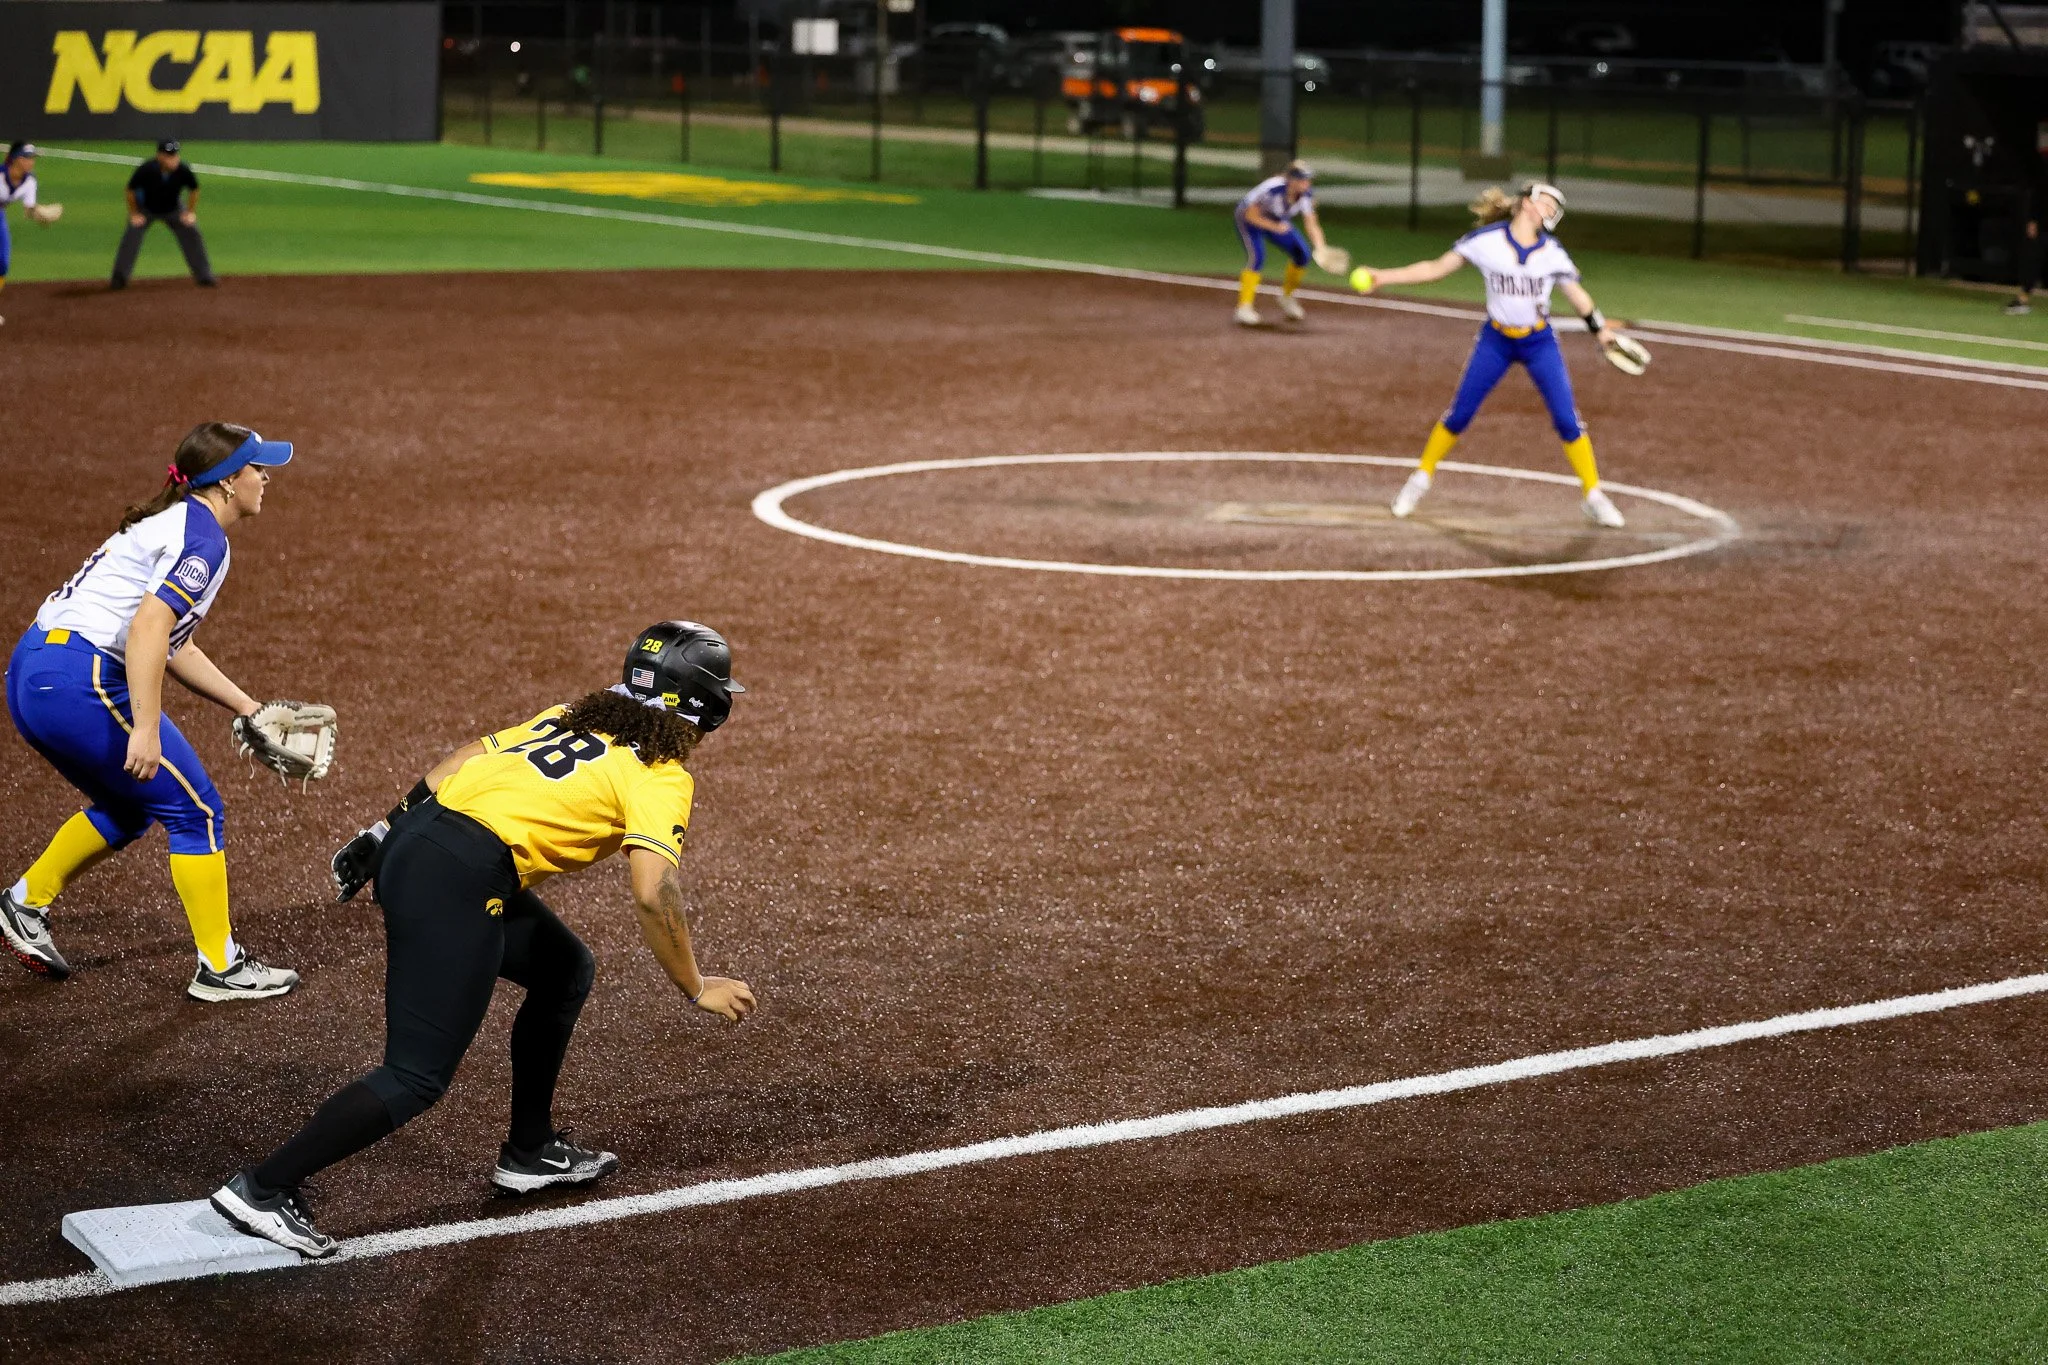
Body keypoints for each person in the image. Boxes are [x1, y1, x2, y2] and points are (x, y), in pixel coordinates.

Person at [210, 622, 758, 1258]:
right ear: (703, 706)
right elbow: (652, 891)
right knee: (416, 1076)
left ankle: (529, 1151)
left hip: (422, 843)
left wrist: (383, 831)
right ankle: (262, 1189)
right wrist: (694, 986)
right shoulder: (662, 774)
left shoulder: (569, 717)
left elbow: (462, 759)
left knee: (563, 969)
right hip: (458, 879)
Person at [2, 423, 306, 999]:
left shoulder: (174, 522)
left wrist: (246, 706)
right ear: (225, 482)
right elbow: (149, 628)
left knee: (130, 805)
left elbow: (174, 643)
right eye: (257, 468)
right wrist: (145, 727)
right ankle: (220, 966)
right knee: (199, 811)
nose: (265, 478)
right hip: (79, 680)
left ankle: (23, 903)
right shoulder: (203, 539)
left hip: (36, 674)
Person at [1353, 182, 1633, 528]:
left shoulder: (1552, 251)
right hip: (1496, 340)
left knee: (1566, 419)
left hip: (1538, 342)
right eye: (1546, 201)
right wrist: (1385, 276)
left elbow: (1577, 296)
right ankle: (1419, 481)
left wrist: (1600, 329)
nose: (1550, 209)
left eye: (1554, 206)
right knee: (1459, 414)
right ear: (1526, 203)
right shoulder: (1487, 241)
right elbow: (1435, 268)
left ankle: (1593, 495)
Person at [1233, 160, 1333, 327]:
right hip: (1248, 220)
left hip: (1276, 220)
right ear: (1291, 180)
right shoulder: (1272, 189)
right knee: (1257, 257)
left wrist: (1321, 247)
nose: (1306, 184)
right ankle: (1243, 308)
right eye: (1302, 180)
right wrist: (1274, 227)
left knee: (1302, 254)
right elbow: (1250, 216)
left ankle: (1286, 297)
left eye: (1308, 180)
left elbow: (1311, 223)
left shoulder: (1306, 194)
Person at [110, 140, 216, 291]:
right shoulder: (147, 169)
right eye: (168, 156)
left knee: (191, 230)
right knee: (132, 234)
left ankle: (204, 275)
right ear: (159, 156)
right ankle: (119, 279)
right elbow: (130, 190)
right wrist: (134, 214)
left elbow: (194, 189)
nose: (173, 159)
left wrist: (190, 212)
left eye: (174, 155)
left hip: (173, 209)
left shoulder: (182, 169)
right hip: (146, 209)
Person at [0, 142, 61, 326]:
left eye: (33, 158)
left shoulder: (29, 181)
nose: (31, 162)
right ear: (16, 159)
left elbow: (29, 210)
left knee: (2, 263)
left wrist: (42, 215)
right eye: (28, 157)